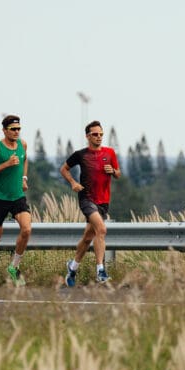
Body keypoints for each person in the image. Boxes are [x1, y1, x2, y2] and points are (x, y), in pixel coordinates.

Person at [59, 120, 121, 285]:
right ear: (87, 136)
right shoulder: (81, 154)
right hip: (86, 198)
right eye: (95, 134)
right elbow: (63, 169)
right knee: (101, 229)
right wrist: (73, 183)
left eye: (101, 134)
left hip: (104, 201)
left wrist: (113, 171)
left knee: (88, 238)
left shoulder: (110, 153)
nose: (99, 137)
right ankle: (101, 271)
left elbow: (118, 174)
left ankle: (72, 267)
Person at [0, 114, 32, 293]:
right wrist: (6, 164)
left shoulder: (22, 144)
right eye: (13, 129)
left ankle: (14, 267)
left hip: (17, 197)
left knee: (27, 229)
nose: (17, 132)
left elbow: (25, 160)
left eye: (19, 129)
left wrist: (24, 178)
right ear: (4, 130)